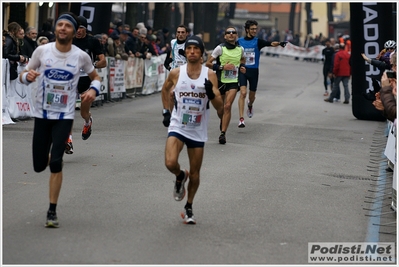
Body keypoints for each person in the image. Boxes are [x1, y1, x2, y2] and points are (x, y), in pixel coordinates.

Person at [18, 12, 101, 228]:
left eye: (67, 25)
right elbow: (24, 73)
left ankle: (52, 211)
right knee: (39, 165)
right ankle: (49, 154)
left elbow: (96, 77)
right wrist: (27, 76)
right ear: (56, 30)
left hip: (64, 115)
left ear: (74, 31)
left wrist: (93, 90)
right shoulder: (42, 51)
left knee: (56, 163)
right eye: (60, 25)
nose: (63, 28)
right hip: (42, 114)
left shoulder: (81, 56)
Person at [161, 35, 223, 224]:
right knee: (171, 163)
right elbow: (165, 89)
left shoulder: (209, 75)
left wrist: (211, 93)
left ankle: (189, 207)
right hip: (178, 124)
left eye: (196, 49)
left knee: (196, 173)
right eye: (189, 49)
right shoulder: (176, 73)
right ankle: (180, 175)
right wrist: (166, 111)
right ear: (185, 52)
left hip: (197, 128)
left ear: (202, 53)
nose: (192, 52)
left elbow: (220, 108)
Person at [65, 15, 106, 154]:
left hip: (86, 79)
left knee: (83, 112)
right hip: (71, 79)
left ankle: (88, 121)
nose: (78, 31)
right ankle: (68, 140)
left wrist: (92, 65)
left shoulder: (92, 41)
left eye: (81, 28)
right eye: (76, 28)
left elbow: (103, 61)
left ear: (85, 29)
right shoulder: (69, 40)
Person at [237, 20, 286, 127]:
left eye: (256, 29)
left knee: (252, 96)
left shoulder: (257, 41)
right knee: (243, 93)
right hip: (243, 70)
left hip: (254, 72)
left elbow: (270, 43)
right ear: (247, 30)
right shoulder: (239, 41)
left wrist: (279, 43)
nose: (255, 31)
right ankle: (241, 119)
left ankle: (250, 105)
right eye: (252, 29)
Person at [205, 26, 246, 144]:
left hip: (233, 82)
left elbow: (243, 61)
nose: (231, 34)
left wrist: (242, 67)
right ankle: (222, 120)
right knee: (221, 109)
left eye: (234, 32)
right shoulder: (220, 48)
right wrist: (222, 67)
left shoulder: (240, 49)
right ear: (225, 36)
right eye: (229, 32)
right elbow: (208, 63)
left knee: (228, 106)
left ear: (236, 35)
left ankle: (223, 134)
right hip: (220, 81)